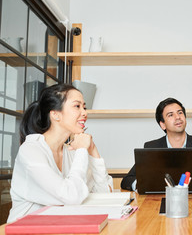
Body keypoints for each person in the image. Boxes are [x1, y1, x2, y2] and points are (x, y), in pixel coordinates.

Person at [7, 84, 113, 223]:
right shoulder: (31, 150)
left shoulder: (70, 152)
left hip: (58, 228)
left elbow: (104, 195)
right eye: (77, 106)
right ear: (55, 114)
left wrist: (92, 150)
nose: (84, 113)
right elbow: (71, 196)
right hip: (25, 230)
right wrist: (81, 150)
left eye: (84, 107)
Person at [121, 97, 192, 191]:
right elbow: (127, 180)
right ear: (162, 125)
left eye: (180, 113)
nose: (178, 117)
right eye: (170, 115)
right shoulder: (152, 147)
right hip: (159, 203)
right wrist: (139, 185)